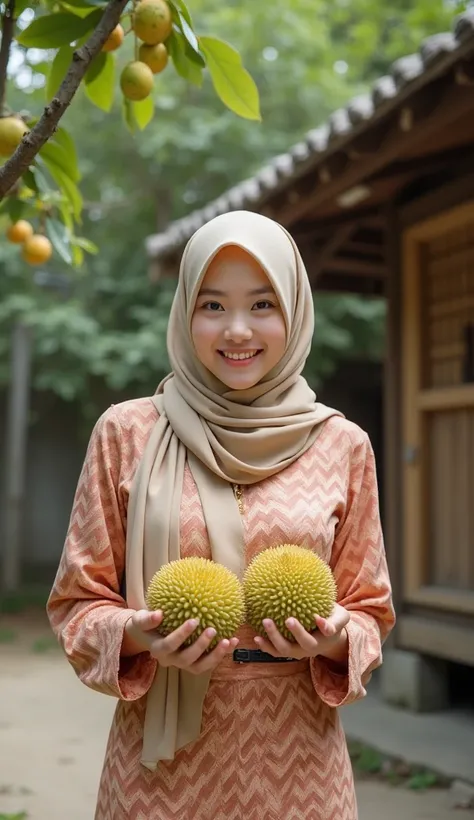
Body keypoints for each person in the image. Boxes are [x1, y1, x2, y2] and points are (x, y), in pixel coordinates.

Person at [47, 210, 395, 820]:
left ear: (294, 309)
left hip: (300, 768)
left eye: (263, 304)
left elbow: (371, 610)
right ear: (185, 313)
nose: (237, 330)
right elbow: (78, 605)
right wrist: (140, 636)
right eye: (213, 305)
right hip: (159, 771)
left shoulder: (344, 445)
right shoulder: (126, 434)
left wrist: (338, 637)